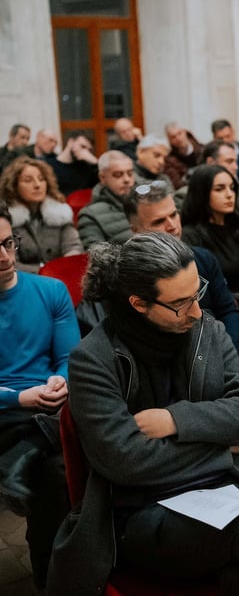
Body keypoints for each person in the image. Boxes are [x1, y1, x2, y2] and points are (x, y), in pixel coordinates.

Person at [48, 232, 239, 595]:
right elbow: (125, 461)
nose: (196, 311)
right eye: (180, 303)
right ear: (139, 303)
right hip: (139, 514)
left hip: (221, 492)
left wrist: (176, 420)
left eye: (197, 293)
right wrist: (223, 449)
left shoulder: (207, 329)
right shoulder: (93, 359)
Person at [0, 203, 77, 589]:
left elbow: (68, 359)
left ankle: (51, 581)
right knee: (56, 464)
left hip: (48, 406)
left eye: (7, 243)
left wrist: (58, 382)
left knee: (56, 473)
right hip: (11, 409)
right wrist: (17, 398)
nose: (3, 257)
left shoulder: (50, 289)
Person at [123, 180, 239, 357]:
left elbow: (228, 311)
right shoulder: (130, 278)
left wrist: (227, 355)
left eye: (173, 215)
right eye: (159, 221)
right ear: (136, 230)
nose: (172, 226)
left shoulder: (203, 258)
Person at [0, 156, 83, 273]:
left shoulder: (60, 213)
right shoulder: (5, 222)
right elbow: (10, 263)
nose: (37, 185)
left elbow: (74, 247)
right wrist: (45, 272)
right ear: (13, 186)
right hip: (24, 282)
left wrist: (66, 266)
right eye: (28, 180)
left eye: (41, 179)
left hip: (61, 278)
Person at [181, 165, 239, 294]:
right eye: (219, 189)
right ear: (202, 193)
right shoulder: (190, 235)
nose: (229, 195)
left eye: (232, 188)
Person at [77, 151, 135, 248]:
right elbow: (98, 258)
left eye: (130, 173)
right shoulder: (90, 215)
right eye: (118, 174)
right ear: (102, 177)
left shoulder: (145, 203)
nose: (127, 179)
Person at [49, 130, 99, 196]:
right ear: (71, 142)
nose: (85, 152)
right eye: (82, 146)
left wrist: (95, 162)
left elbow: (103, 184)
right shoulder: (49, 165)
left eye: (88, 150)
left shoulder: (87, 168)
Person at [164, 123, 204, 189]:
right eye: (173, 137)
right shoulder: (169, 161)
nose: (178, 138)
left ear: (185, 132)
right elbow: (177, 184)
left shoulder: (202, 150)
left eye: (179, 133)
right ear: (169, 141)